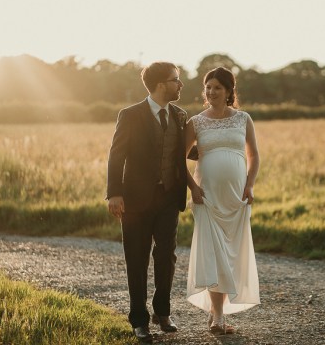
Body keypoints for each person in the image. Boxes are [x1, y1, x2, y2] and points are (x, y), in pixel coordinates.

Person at [107, 62, 188, 344]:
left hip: (169, 197)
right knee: (137, 259)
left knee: (167, 255)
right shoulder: (129, 115)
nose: (180, 85)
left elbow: (187, 152)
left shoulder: (180, 115)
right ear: (160, 84)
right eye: (176, 80)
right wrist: (114, 193)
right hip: (135, 199)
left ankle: (162, 313)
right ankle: (139, 321)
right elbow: (116, 155)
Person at [185, 66, 261, 335]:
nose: (211, 91)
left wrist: (250, 185)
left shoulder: (243, 119)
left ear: (229, 91)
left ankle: (216, 312)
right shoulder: (195, 122)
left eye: (217, 87)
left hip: (237, 198)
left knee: (231, 254)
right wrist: (193, 187)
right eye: (208, 87)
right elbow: (177, 159)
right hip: (207, 197)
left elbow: (253, 156)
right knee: (214, 254)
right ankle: (218, 317)